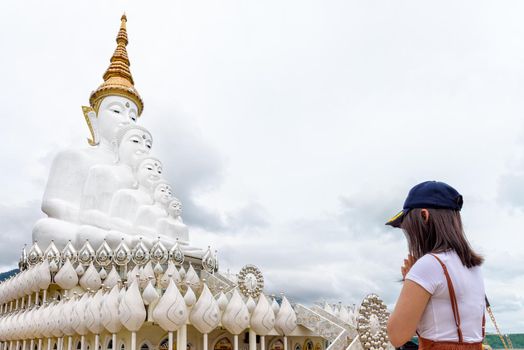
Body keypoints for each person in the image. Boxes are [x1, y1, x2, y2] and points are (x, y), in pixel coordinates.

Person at [386, 181, 485, 350]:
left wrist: (409, 281)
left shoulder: (429, 265)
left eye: (409, 226)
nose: (409, 234)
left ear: (424, 216)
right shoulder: (473, 267)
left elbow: (396, 336)